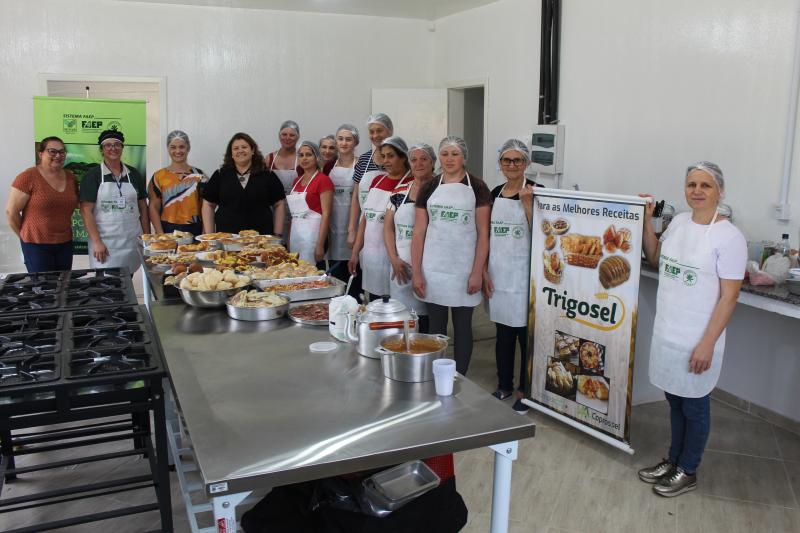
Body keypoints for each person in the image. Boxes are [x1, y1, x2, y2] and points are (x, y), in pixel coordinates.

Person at [638, 162, 746, 497]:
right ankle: (673, 459)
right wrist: (645, 221)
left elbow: (729, 297)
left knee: (695, 404)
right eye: (691, 184)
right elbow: (655, 256)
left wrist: (707, 344)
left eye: (706, 185)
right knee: (674, 399)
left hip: (698, 337)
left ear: (720, 191)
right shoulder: (680, 223)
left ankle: (688, 469)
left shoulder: (730, 238)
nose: (697, 191)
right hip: (668, 331)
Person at [411, 136, 491, 375]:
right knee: (436, 327)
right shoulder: (429, 187)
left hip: (464, 270)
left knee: (463, 327)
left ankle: (460, 377)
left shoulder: (477, 187)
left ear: (464, 157)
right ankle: (437, 374)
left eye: (454, 154)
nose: (449, 159)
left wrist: (477, 272)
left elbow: (483, 234)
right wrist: (417, 272)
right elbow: (418, 232)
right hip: (434, 268)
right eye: (444, 154)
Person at [483, 139, 540, 413]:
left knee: (525, 338)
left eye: (518, 160)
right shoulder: (495, 192)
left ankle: (525, 392)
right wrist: (483, 269)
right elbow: (487, 235)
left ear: (527, 163)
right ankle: (504, 384)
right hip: (500, 273)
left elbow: (546, 235)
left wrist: (528, 205)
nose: (512, 165)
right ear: (500, 164)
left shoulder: (537, 191)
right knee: (503, 334)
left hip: (525, 276)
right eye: (507, 160)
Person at [349, 136, 412, 300]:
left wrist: (395, 258)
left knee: (397, 306)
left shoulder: (411, 183)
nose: (386, 161)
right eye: (383, 156)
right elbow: (365, 218)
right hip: (371, 255)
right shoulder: (377, 180)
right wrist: (356, 252)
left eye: (391, 156)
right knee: (376, 304)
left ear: (403, 157)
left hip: (397, 257)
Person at [79, 130, 149, 273]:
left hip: (131, 242)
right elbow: (86, 211)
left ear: (122, 148)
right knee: (106, 289)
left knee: (127, 282)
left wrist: (147, 238)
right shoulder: (92, 176)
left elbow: (142, 207)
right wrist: (97, 242)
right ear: (102, 149)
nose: (113, 148)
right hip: (105, 244)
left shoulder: (133, 174)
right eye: (108, 145)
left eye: (117, 145)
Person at [383, 143, 436, 330]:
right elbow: (388, 228)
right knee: (403, 320)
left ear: (433, 162)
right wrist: (393, 259)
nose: (418, 163)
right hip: (401, 268)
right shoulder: (399, 192)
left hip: (430, 267)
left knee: (427, 323)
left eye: (424, 159)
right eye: (414, 159)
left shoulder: (441, 190)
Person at [6, 136, 78, 272]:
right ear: (41, 154)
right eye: (52, 151)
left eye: (62, 152)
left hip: (65, 243)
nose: (58, 155)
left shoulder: (70, 177)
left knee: (63, 286)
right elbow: (11, 212)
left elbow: (78, 203)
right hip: (36, 244)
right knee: (43, 289)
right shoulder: (28, 177)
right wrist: (24, 236)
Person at [202, 132, 286, 236]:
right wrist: (210, 236)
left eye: (244, 147)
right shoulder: (220, 175)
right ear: (231, 154)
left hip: (261, 240)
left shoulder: (267, 175)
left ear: (252, 150)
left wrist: (277, 234)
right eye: (236, 148)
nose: (240, 150)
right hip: (227, 240)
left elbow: (279, 203)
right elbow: (208, 204)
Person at [347, 113, 392, 249]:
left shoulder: (399, 159)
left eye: (380, 131)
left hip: (392, 227)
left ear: (390, 131)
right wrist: (352, 230)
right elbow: (355, 197)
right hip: (366, 226)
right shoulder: (364, 159)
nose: (375, 135)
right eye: (371, 132)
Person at [148, 130, 206, 236]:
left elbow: (206, 207)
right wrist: (160, 233)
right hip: (167, 229)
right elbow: (153, 206)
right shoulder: (159, 176)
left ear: (188, 148)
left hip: (195, 229)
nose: (178, 151)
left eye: (182, 147)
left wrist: (205, 232)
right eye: (173, 147)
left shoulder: (200, 176)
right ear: (168, 149)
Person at [287, 141, 334, 266]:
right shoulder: (296, 181)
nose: (304, 158)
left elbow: (326, 214)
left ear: (317, 157)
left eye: (308, 155)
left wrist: (319, 244)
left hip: (313, 237)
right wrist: (289, 238)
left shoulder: (323, 180)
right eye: (301, 155)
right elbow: (294, 215)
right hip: (296, 235)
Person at [324, 124, 359, 285]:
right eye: (340, 139)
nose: (344, 143)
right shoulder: (329, 166)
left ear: (355, 142)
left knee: (355, 276)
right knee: (336, 277)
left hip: (354, 224)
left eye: (348, 139)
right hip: (333, 224)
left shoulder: (361, 165)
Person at [267, 120, 302, 194]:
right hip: (273, 203)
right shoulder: (269, 159)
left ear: (298, 137)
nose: (287, 138)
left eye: (292, 135)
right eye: (284, 134)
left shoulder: (302, 158)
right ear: (279, 136)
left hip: (296, 203)